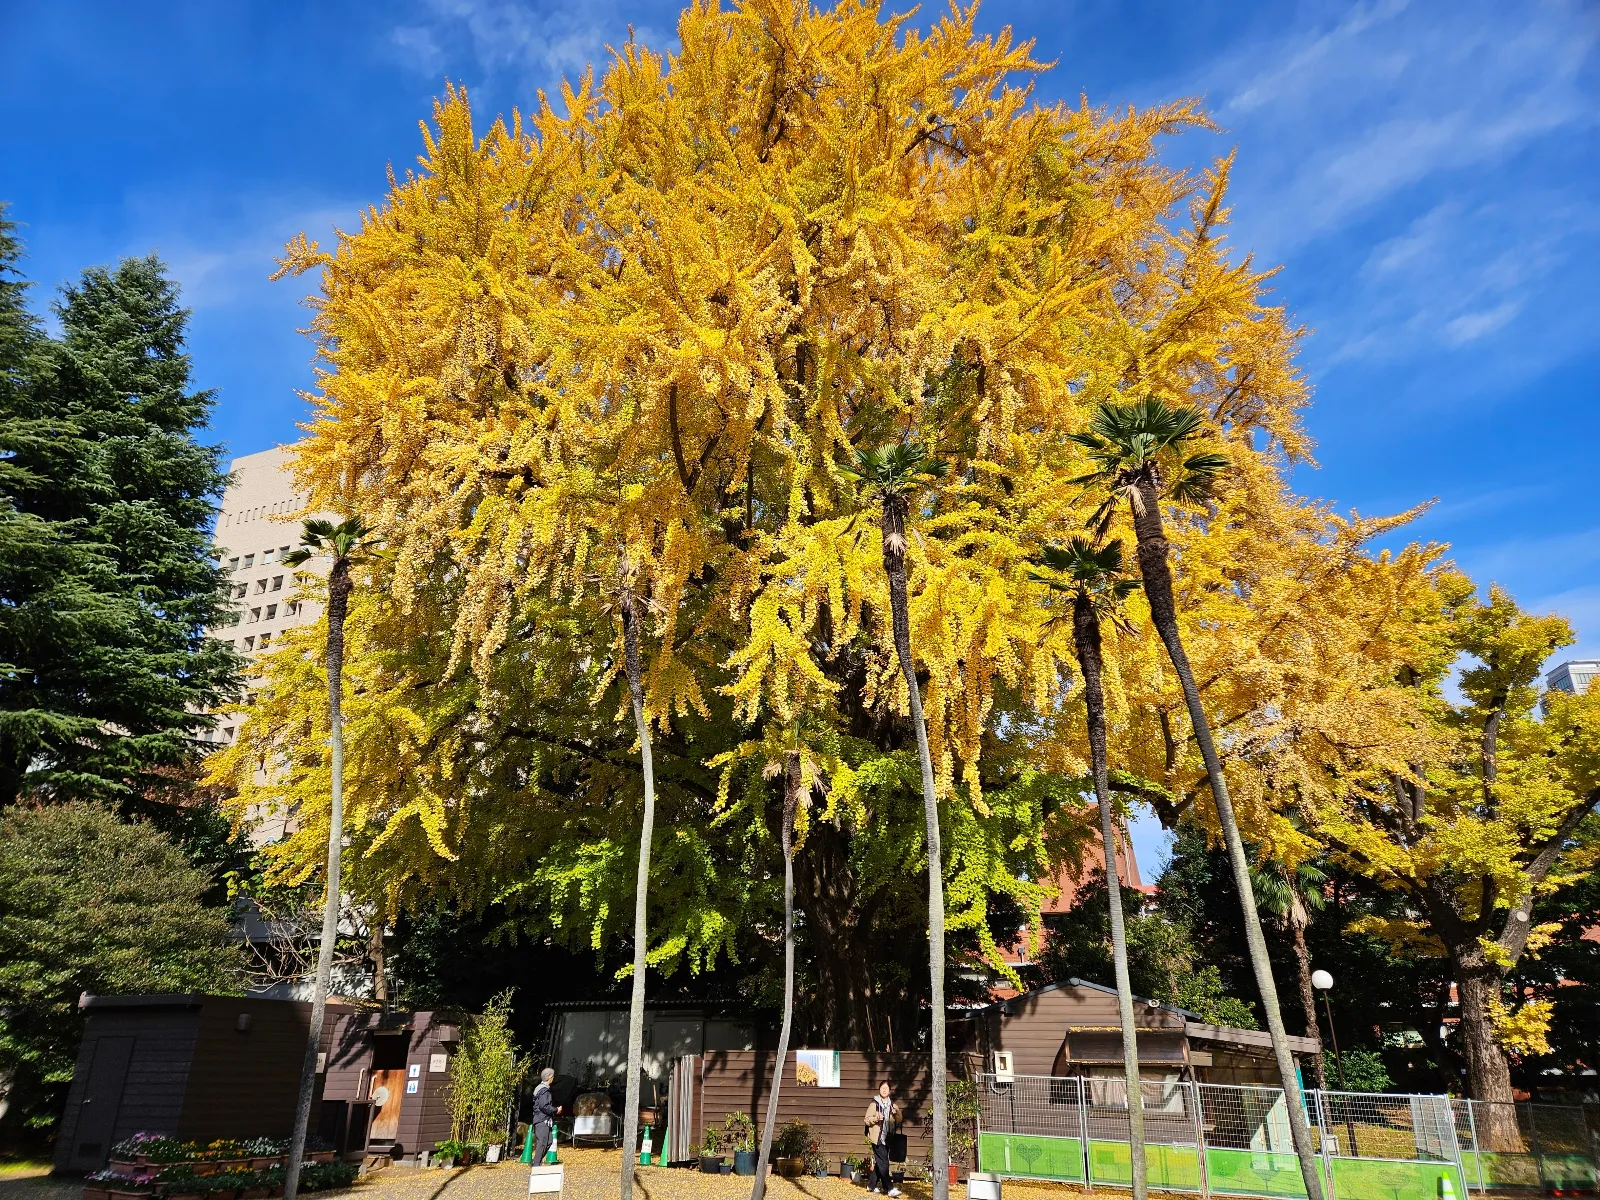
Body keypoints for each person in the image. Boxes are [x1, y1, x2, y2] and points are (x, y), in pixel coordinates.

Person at [862, 1080, 902, 1197]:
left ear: (889, 1091)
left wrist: (897, 1112)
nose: (884, 1090)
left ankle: (871, 1185)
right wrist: (875, 1118)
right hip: (877, 1137)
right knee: (884, 1163)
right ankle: (889, 1188)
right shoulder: (874, 1103)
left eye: (886, 1088)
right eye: (882, 1088)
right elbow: (866, 1119)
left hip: (888, 1138)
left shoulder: (891, 1104)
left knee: (881, 1163)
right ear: (879, 1089)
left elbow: (899, 1120)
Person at [531, 1067, 560, 1165]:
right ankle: (536, 1164)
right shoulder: (544, 1091)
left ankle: (536, 1161)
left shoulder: (541, 1089)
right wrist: (556, 1110)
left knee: (549, 1141)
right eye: (552, 1076)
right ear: (550, 1077)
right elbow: (544, 1106)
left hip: (543, 1119)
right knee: (542, 1143)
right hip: (542, 1119)